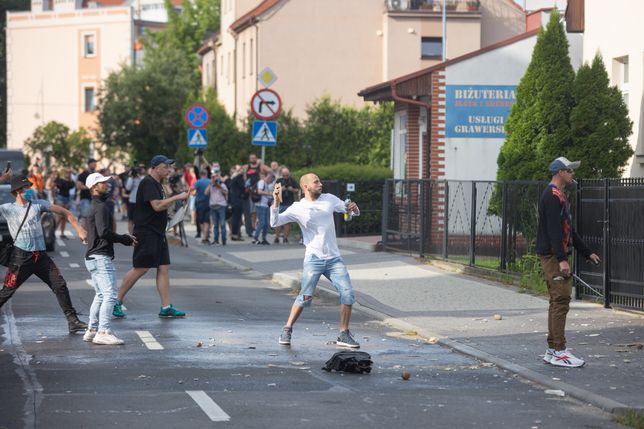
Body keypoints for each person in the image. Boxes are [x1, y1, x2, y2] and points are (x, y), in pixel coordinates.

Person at [270, 173, 361, 348]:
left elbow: (348, 210)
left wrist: (353, 209)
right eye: (316, 182)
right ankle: (287, 328)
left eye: (319, 181)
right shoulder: (298, 207)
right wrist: (276, 201)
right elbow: (275, 222)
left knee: (348, 294)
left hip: (334, 258)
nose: (320, 184)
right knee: (305, 296)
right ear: (306, 187)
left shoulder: (329, 199)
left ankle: (343, 333)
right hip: (314, 258)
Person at [0, 174, 89, 333]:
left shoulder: (38, 205)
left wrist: (79, 228)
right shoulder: (7, 208)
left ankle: (72, 321)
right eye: (26, 188)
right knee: (7, 291)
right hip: (20, 258)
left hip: (41, 257)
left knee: (60, 285)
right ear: (17, 191)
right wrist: (2, 179)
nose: (29, 190)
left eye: (29, 187)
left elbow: (65, 212)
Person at [537, 157, 600, 368]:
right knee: (561, 301)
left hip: (555, 255)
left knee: (557, 301)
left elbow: (568, 230)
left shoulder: (559, 195)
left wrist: (586, 252)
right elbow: (555, 230)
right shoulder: (552, 196)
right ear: (560, 172)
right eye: (570, 171)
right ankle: (559, 351)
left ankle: (553, 349)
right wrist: (562, 259)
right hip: (554, 256)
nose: (572, 174)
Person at [113, 155, 190, 318]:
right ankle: (116, 301)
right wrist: (177, 197)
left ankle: (166, 307)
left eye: (169, 167)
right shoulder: (148, 183)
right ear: (155, 167)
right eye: (165, 166)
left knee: (163, 267)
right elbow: (156, 206)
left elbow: (161, 207)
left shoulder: (158, 184)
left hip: (157, 232)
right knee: (141, 268)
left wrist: (174, 209)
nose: (168, 169)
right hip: (146, 232)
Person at [83, 173, 137, 345]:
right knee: (110, 295)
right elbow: (103, 232)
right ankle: (103, 331)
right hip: (100, 256)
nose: (106, 185)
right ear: (94, 187)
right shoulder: (100, 207)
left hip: (93, 256)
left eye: (106, 182)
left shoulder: (97, 205)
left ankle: (92, 330)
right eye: (102, 183)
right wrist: (124, 239)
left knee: (100, 295)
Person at [274, 167, 299, 244]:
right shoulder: (279, 180)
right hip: (280, 203)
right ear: (281, 174)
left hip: (289, 203)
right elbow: (275, 191)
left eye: (287, 175)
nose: (285, 177)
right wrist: (281, 189)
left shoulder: (292, 180)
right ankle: (277, 237)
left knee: (287, 222)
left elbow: (298, 190)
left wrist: (292, 190)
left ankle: (285, 238)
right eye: (284, 175)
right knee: (278, 221)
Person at [205, 166, 228, 245]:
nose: (214, 178)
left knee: (222, 224)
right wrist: (211, 183)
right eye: (213, 177)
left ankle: (224, 239)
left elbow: (225, 192)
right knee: (215, 225)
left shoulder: (222, 185)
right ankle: (216, 240)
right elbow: (206, 193)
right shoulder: (211, 185)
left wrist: (218, 185)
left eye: (215, 177)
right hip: (213, 206)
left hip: (221, 206)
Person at [53, 167, 76, 238]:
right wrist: (53, 196)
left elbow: (73, 186)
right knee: (59, 216)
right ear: (64, 172)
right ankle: (52, 232)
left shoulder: (70, 181)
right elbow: (53, 186)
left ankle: (62, 233)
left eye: (69, 172)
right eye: (66, 172)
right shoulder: (60, 180)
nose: (68, 173)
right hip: (60, 198)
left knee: (64, 217)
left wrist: (70, 178)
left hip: (67, 199)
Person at [252, 172, 274, 245]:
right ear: (268, 177)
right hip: (260, 205)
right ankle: (255, 237)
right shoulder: (262, 182)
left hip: (265, 205)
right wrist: (270, 194)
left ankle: (264, 238)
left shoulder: (266, 184)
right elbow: (259, 191)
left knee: (266, 223)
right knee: (262, 222)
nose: (271, 182)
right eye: (271, 180)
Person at [76, 158, 97, 230]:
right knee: (84, 217)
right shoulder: (83, 174)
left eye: (95, 164)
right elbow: (78, 186)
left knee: (92, 217)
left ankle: (90, 235)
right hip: (85, 199)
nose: (95, 165)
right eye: (94, 164)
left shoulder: (95, 174)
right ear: (89, 164)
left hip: (94, 198)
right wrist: (90, 187)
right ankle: (84, 236)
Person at [193, 169, 211, 244]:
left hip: (199, 202)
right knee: (207, 221)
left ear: (200, 174)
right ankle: (205, 238)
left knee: (201, 221)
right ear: (206, 174)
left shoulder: (198, 182)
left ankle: (204, 236)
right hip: (208, 202)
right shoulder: (209, 181)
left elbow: (193, 190)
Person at [229, 165, 246, 241]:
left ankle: (235, 234)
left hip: (233, 200)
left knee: (235, 218)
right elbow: (243, 188)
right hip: (237, 200)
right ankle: (235, 235)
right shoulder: (239, 178)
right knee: (237, 218)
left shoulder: (233, 179)